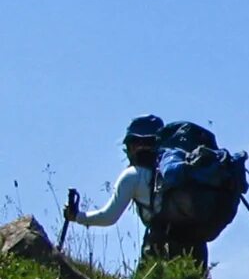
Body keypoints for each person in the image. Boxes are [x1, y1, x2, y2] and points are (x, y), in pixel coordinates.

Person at [66, 114, 209, 270]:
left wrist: (77, 217)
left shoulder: (133, 176)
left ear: (133, 145)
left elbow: (108, 217)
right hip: (197, 248)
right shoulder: (181, 170)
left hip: (159, 247)